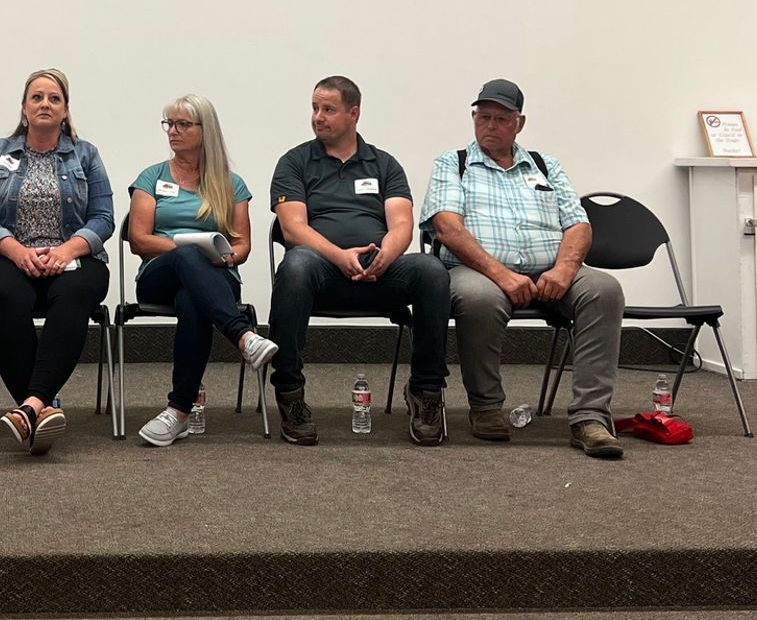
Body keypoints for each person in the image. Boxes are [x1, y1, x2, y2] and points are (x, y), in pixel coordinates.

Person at [422, 78, 625, 460]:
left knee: (604, 289)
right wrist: (502, 275)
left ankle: (590, 417)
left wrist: (565, 270)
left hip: (550, 270)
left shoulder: (545, 165)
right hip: (478, 270)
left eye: (501, 118)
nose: (490, 126)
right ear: (474, 118)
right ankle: (485, 407)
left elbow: (579, 225)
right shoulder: (454, 163)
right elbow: (448, 227)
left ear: (520, 123)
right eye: (483, 117)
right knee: (479, 297)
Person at [268, 76, 452, 447]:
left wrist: (386, 254)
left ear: (354, 113)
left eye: (328, 109)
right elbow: (293, 229)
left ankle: (426, 391)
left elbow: (402, 222)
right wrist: (338, 256)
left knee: (432, 270)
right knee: (296, 264)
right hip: (321, 271)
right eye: (315, 108)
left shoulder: (383, 164)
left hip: (378, 271)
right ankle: (290, 395)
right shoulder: (295, 162)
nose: (318, 117)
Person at [0, 69, 113, 454]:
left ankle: (30, 408)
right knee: (6, 297)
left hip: (72, 257)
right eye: (37, 97)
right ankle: (43, 408)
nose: (45, 104)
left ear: (65, 110)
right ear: (24, 108)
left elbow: (104, 217)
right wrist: (15, 250)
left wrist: (66, 251)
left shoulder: (86, 154)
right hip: (6, 256)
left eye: (54, 98)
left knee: (76, 293)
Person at [127, 95, 279, 447]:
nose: (173, 132)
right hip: (158, 276)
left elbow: (241, 245)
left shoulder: (230, 183)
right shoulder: (151, 177)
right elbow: (139, 239)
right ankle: (244, 337)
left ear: (204, 130)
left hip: (214, 279)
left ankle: (177, 413)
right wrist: (189, 249)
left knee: (193, 301)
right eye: (169, 124)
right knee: (187, 257)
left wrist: (227, 257)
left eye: (182, 124)